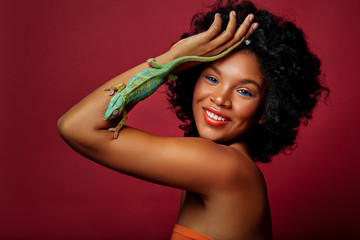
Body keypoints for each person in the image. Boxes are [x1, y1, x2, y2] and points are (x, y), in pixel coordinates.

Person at [57, 0, 328, 239]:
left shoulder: (224, 168)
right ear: (193, 79)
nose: (221, 98)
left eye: (244, 91)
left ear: (267, 111)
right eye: (211, 78)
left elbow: (76, 127)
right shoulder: (228, 168)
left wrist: (172, 58)